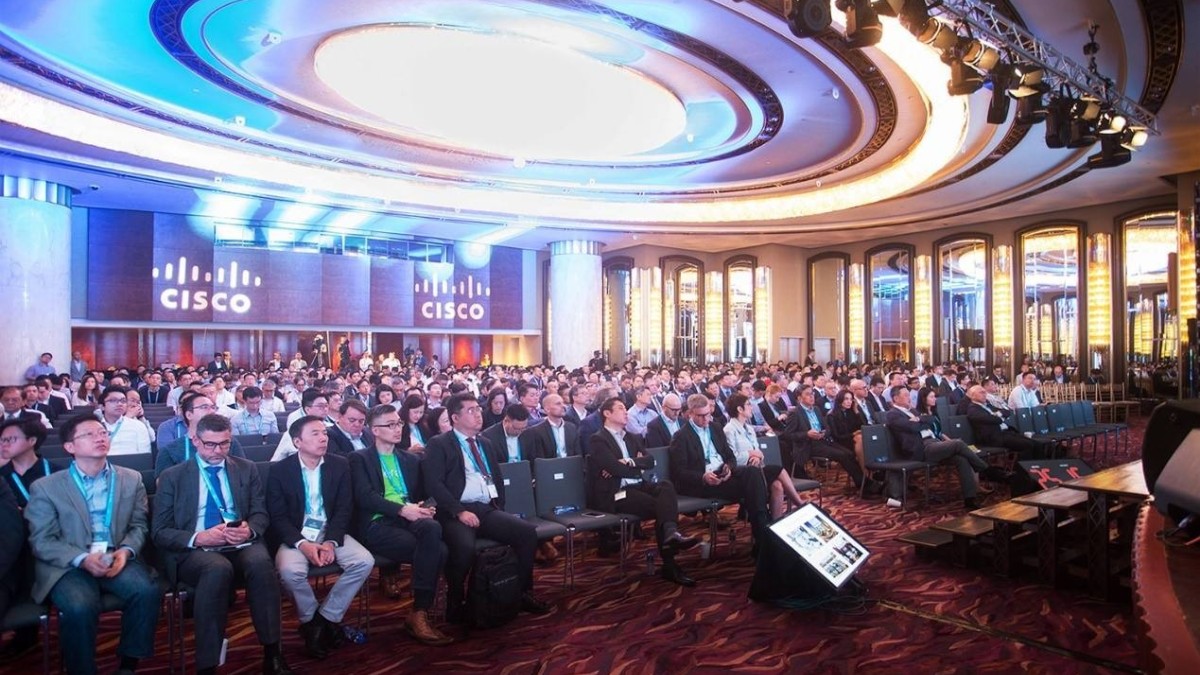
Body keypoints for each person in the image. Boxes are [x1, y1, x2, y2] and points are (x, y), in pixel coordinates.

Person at [152, 414, 292, 675]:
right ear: (196, 441)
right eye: (210, 444)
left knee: (261, 563)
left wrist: (250, 529)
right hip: (196, 548)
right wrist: (198, 537)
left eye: (224, 444)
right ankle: (207, 663)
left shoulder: (246, 468)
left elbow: (260, 512)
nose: (218, 451)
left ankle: (273, 652)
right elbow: (159, 531)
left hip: (239, 542)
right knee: (216, 569)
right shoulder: (174, 476)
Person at [24, 415, 161, 675]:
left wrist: (126, 551)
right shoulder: (46, 487)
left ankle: (129, 663)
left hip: (114, 555)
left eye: (102, 432)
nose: (100, 438)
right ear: (70, 446)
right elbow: (42, 540)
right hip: (68, 563)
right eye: (89, 434)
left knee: (147, 591)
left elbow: (138, 526)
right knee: (80, 606)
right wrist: (82, 559)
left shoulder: (130, 479)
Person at [421, 393, 550, 623]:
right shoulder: (439, 444)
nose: (478, 414)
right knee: (464, 547)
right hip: (454, 511)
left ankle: (521, 592)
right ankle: (455, 602)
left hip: (484, 508)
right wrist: (459, 511)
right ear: (455, 418)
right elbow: (434, 484)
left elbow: (496, 479)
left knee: (526, 533)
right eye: (470, 411)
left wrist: (498, 507)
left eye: (478, 409)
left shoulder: (485, 443)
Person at [267, 416, 375, 659]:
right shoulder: (279, 471)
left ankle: (324, 619)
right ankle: (311, 619)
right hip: (296, 535)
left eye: (324, 433)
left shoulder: (339, 465)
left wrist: (330, 542)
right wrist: (302, 544)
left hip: (330, 531)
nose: (323, 438)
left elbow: (344, 508)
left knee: (363, 561)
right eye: (315, 434)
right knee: (289, 572)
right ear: (297, 442)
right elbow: (278, 516)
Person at [349, 405, 452, 645]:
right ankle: (419, 613)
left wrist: (425, 507)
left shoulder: (409, 459)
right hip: (378, 522)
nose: (398, 429)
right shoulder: (359, 458)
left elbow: (422, 494)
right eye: (391, 425)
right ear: (375, 430)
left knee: (432, 527)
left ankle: (419, 611)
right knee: (439, 550)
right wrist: (402, 509)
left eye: (399, 424)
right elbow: (365, 496)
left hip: (408, 517)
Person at [587, 398, 699, 585]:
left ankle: (670, 533)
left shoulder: (631, 437)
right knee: (662, 507)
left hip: (638, 485)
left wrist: (629, 462)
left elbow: (650, 461)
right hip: (617, 493)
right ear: (607, 414)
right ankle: (670, 562)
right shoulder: (598, 439)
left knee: (665, 486)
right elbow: (614, 468)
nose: (626, 412)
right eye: (621, 408)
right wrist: (633, 467)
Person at [668, 394, 770, 550]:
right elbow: (678, 472)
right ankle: (763, 534)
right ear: (690, 414)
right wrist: (703, 477)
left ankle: (762, 534)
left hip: (722, 473)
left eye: (708, 414)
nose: (706, 419)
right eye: (701, 416)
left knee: (753, 473)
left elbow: (730, 457)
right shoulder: (681, 436)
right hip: (702, 482)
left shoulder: (715, 428)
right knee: (753, 488)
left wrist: (729, 467)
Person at [885, 387, 1010, 510]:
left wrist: (919, 419)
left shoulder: (913, 411)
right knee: (957, 443)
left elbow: (930, 419)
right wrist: (921, 421)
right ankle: (987, 470)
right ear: (896, 398)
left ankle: (970, 499)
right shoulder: (893, 414)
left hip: (934, 443)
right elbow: (913, 428)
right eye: (906, 395)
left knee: (962, 459)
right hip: (921, 448)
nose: (909, 397)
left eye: (908, 394)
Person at [724, 394, 805, 519]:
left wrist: (757, 456)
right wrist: (750, 454)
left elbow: (758, 451)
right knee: (778, 469)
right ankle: (800, 504)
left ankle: (775, 521)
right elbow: (731, 458)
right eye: (748, 405)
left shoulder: (749, 428)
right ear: (740, 409)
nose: (751, 407)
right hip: (742, 472)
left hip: (757, 467)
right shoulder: (729, 430)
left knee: (777, 485)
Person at [782, 386, 870, 490]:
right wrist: (806, 434)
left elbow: (827, 428)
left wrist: (824, 433)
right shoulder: (795, 413)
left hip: (823, 440)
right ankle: (864, 485)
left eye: (812, 394)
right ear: (799, 398)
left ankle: (863, 481)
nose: (812, 396)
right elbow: (788, 435)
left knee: (849, 453)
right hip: (808, 445)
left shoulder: (816, 409)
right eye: (808, 394)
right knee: (842, 455)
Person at [156, 394, 246, 478]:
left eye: (213, 407)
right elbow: (163, 483)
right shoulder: (170, 450)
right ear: (189, 415)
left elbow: (243, 474)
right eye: (205, 407)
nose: (212, 411)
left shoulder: (229, 442)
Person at [964, 385, 1044, 460]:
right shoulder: (973, 409)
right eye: (981, 392)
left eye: (985, 392)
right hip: (994, 437)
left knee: (1038, 444)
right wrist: (999, 417)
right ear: (973, 396)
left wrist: (998, 414)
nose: (985, 394)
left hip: (1006, 433)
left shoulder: (988, 406)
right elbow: (995, 420)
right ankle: (1025, 468)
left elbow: (1006, 411)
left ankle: (1041, 467)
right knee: (1028, 445)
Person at [520, 394, 580, 460]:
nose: (563, 406)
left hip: (570, 464)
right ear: (547, 409)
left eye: (563, 403)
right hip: (549, 465)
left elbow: (577, 454)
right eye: (558, 404)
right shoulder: (537, 431)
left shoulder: (571, 428)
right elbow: (538, 458)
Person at [96, 387, 151, 455]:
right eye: (113, 400)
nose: (119, 404)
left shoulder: (138, 426)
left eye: (123, 401)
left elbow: (145, 455)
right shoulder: (93, 427)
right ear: (102, 406)